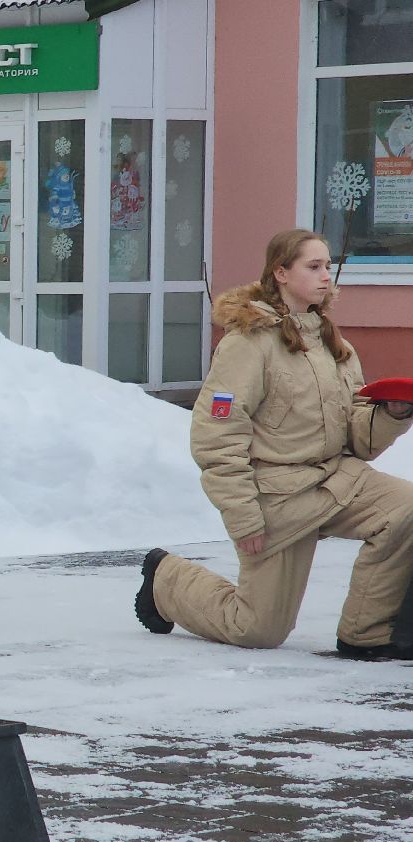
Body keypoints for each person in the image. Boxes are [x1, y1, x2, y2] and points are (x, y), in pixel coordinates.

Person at [137, 229, 413, 659]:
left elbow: (357, 440)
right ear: (281, 273)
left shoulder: (334, 344)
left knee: (406, 509)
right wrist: (243, 515)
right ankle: (165, 579)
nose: (327, 277)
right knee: (256, 630)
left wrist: (391, 414)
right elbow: (217, 436)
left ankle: (367, 633)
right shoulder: (247, 344)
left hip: (336, 478)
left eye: (328, 266)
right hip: (279, 497)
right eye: (314, 266)